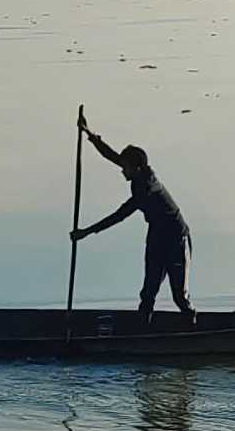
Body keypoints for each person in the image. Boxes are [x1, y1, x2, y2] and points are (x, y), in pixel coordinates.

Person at [70, 115, 195, 320]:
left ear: (136, 168)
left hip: (176, 238)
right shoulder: (137, 173)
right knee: (148, 293)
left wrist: (86, 232)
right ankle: (143, 328)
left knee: (179, 296)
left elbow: (120, 215)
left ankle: (191, 326)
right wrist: (89, 133)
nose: (122, 170)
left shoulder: (148, 187)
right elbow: (111, 155)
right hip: (156, 236)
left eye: (125, 167)